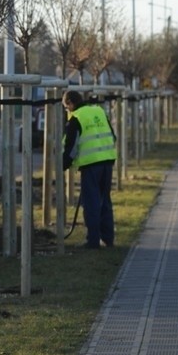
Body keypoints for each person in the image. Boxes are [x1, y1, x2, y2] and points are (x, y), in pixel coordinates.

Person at [62, 90, 117, 250]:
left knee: (91, 202)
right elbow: (112, 136)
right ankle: (108, 239)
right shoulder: (98, 111)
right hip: (107, 160)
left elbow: (71, 148)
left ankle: (92, 242)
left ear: (71, 103)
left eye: (66, 107)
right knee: (105, 200)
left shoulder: (76, 118)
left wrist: (63, 165)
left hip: (91, 165)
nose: (67, 111)